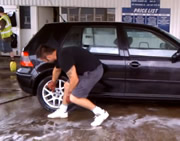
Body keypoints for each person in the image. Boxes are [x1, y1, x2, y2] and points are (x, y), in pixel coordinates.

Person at [36, 45, 109, 127]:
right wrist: (53, 82)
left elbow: (74, 79)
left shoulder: (64, 57)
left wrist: (69, 94)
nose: (46, 62)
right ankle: (62, 111)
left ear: (48, 57)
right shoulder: (59, 54)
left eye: (45, 61)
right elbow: (57, 69)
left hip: (93, 71)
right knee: (67, 85)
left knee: (73, 98)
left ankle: (101, 113)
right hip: (84, 71)